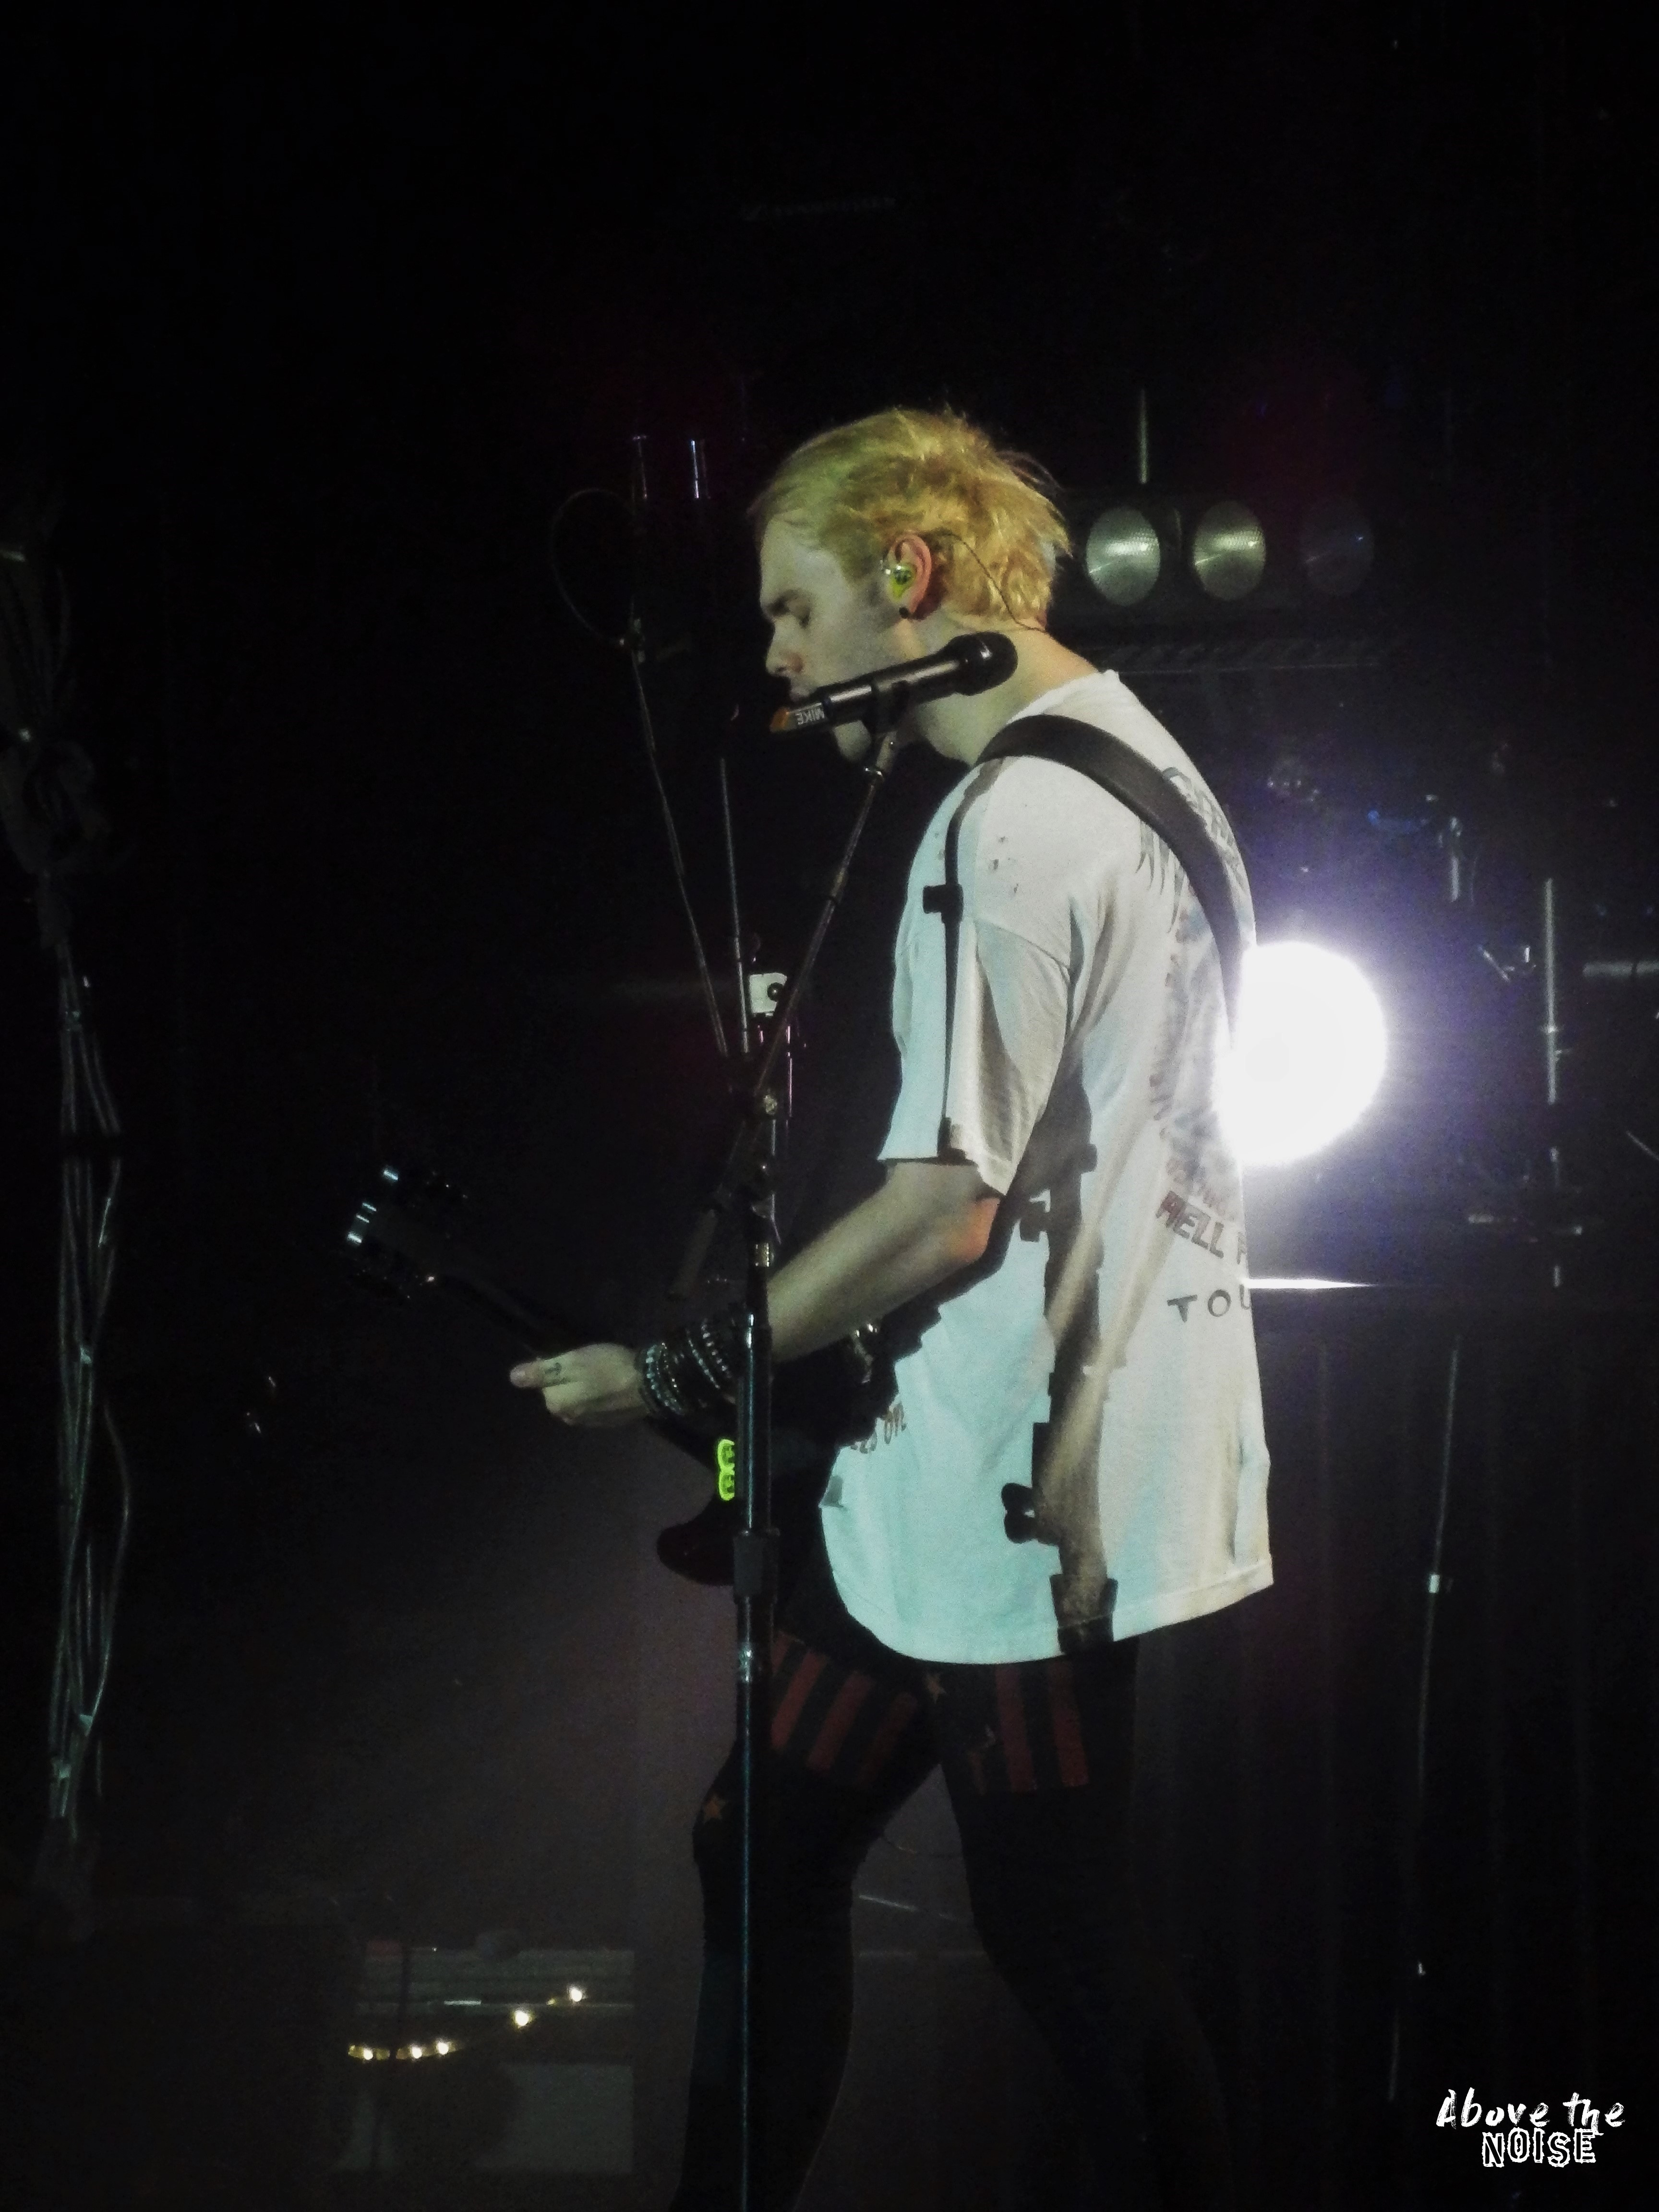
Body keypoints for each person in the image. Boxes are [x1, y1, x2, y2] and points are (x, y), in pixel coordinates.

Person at [511, 408, 1272, 2210]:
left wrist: (683, 1367)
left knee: (1061, 1931)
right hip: (952, 1492)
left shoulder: (1010, 824)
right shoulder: (1141, 761)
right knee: (757, 1848)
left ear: (907, 576)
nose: (778, 656)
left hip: (1023, 1507)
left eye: (795, 611)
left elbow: (945, 1212)